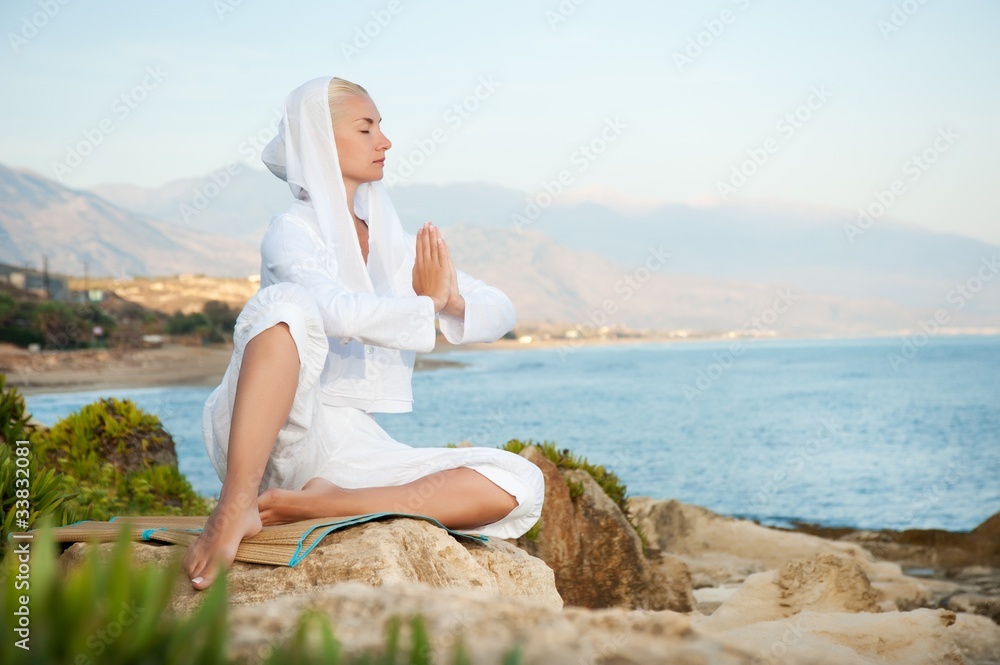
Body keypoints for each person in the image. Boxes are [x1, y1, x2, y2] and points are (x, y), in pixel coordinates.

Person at [182, 76, 544, 590]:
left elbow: (501, 308)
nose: (385, 141)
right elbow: (332, 311)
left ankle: (326, 504)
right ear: (320, 143)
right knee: (283, 305)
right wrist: (427, 305)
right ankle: (235, 505)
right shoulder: (293, 230)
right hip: (266, 431)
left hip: (343, 450)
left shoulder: (392, 244)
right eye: (366, 128)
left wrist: (451, 301)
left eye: (381, 128)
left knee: (519, 482)